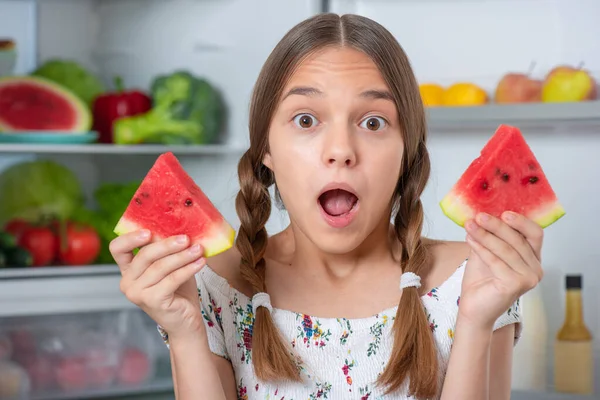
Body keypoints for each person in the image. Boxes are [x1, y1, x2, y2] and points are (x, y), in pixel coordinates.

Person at [109, 13, 544, 400]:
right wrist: (185, 331)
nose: (340, 150)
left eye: (373, 122)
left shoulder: (474, 280)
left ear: (406, 150)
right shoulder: (213, 285)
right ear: (266, 149)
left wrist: (475, 321)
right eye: (306, 120)